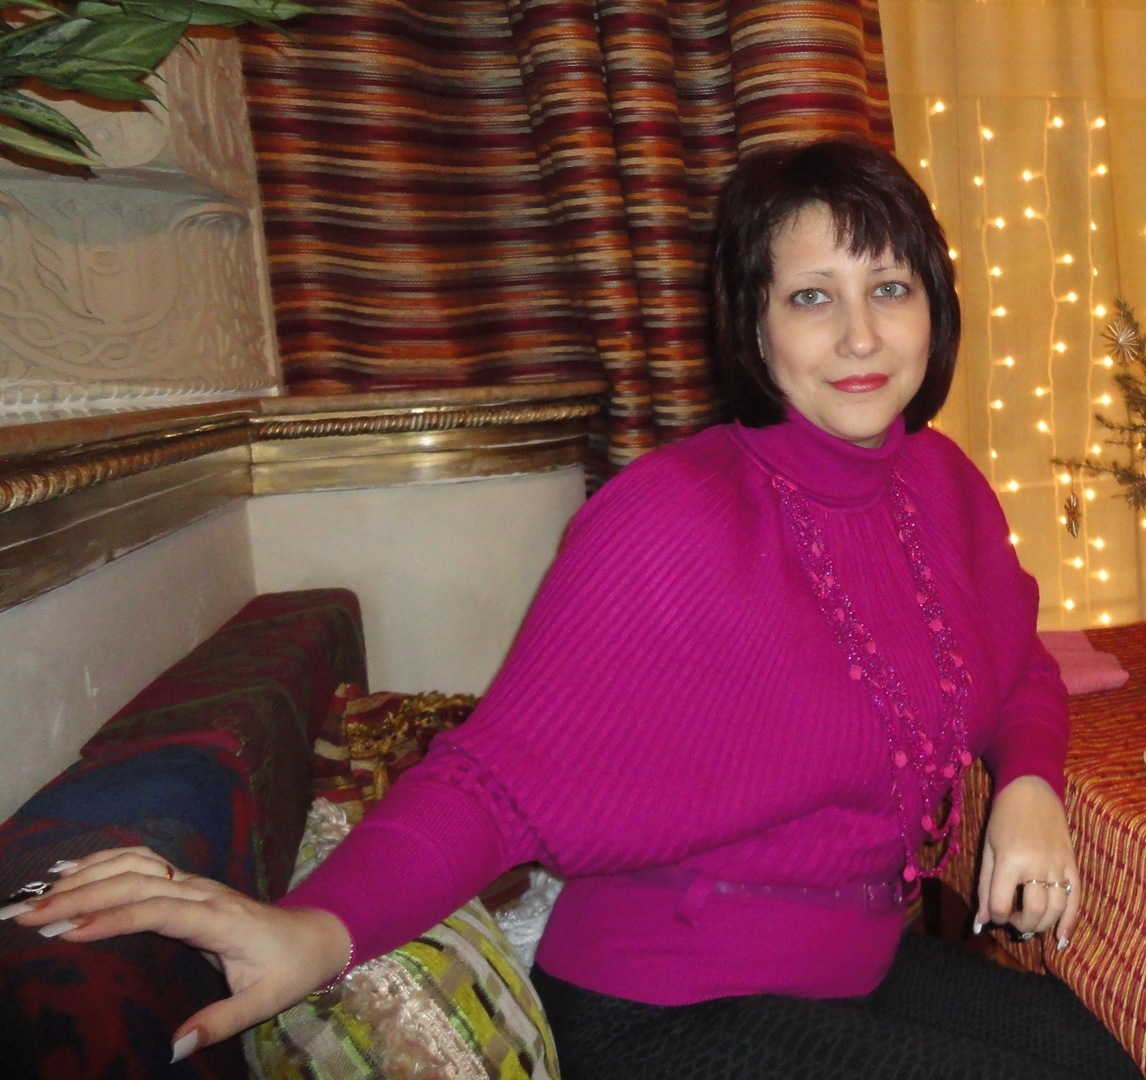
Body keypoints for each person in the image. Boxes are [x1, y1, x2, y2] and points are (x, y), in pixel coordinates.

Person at [2, 137, 1139, 1079]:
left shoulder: (942, 485)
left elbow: (1016, 663)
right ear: (754, 327)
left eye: (889, 288)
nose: (859, 336)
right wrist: (313, 929)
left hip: (858, 961)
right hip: (673, 1009)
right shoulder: (671, 516)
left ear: (934, 308)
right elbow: (495, 781)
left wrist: (1030, 783)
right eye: (811, 297)